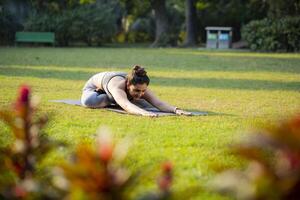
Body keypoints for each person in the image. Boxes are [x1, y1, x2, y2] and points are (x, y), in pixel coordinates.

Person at [81, 65, 192, 117]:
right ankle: (108, 97)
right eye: (137, 90)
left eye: (143, 91)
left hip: (123, 93)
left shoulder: (140, 86)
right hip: (93, 90)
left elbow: (158, 103)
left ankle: (120, 99)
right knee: (89, 101)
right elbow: (126, 105)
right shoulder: (117, 86)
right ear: (128, 84)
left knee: (147, 104)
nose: (140, 93)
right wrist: (143, 113)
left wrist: (176, 110)